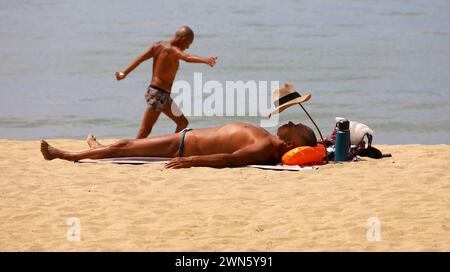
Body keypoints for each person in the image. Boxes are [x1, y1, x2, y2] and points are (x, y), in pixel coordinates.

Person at [40, 122, 317, 169]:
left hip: (183, 147)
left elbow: (231, 158)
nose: (288, 121)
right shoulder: (268, 140)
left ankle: (65, 155)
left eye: (292, 126)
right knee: (129, 145)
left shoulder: (264, 148)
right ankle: (97, 147)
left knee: (126, 145)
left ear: (290, 142)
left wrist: (192, 161)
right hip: (185, 138)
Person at [115, 26, 217, 138]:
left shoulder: (157, 46)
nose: (188, 47)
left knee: (182, 123)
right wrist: (205, 60)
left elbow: (140, 59)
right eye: (188, 43)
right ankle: (129, 150)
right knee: (145, 129)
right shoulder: (173, 50)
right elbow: (187, 57)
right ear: (182, 39)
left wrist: (124, 73)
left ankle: (174, 147)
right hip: (158, 94)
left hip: (162, 95)